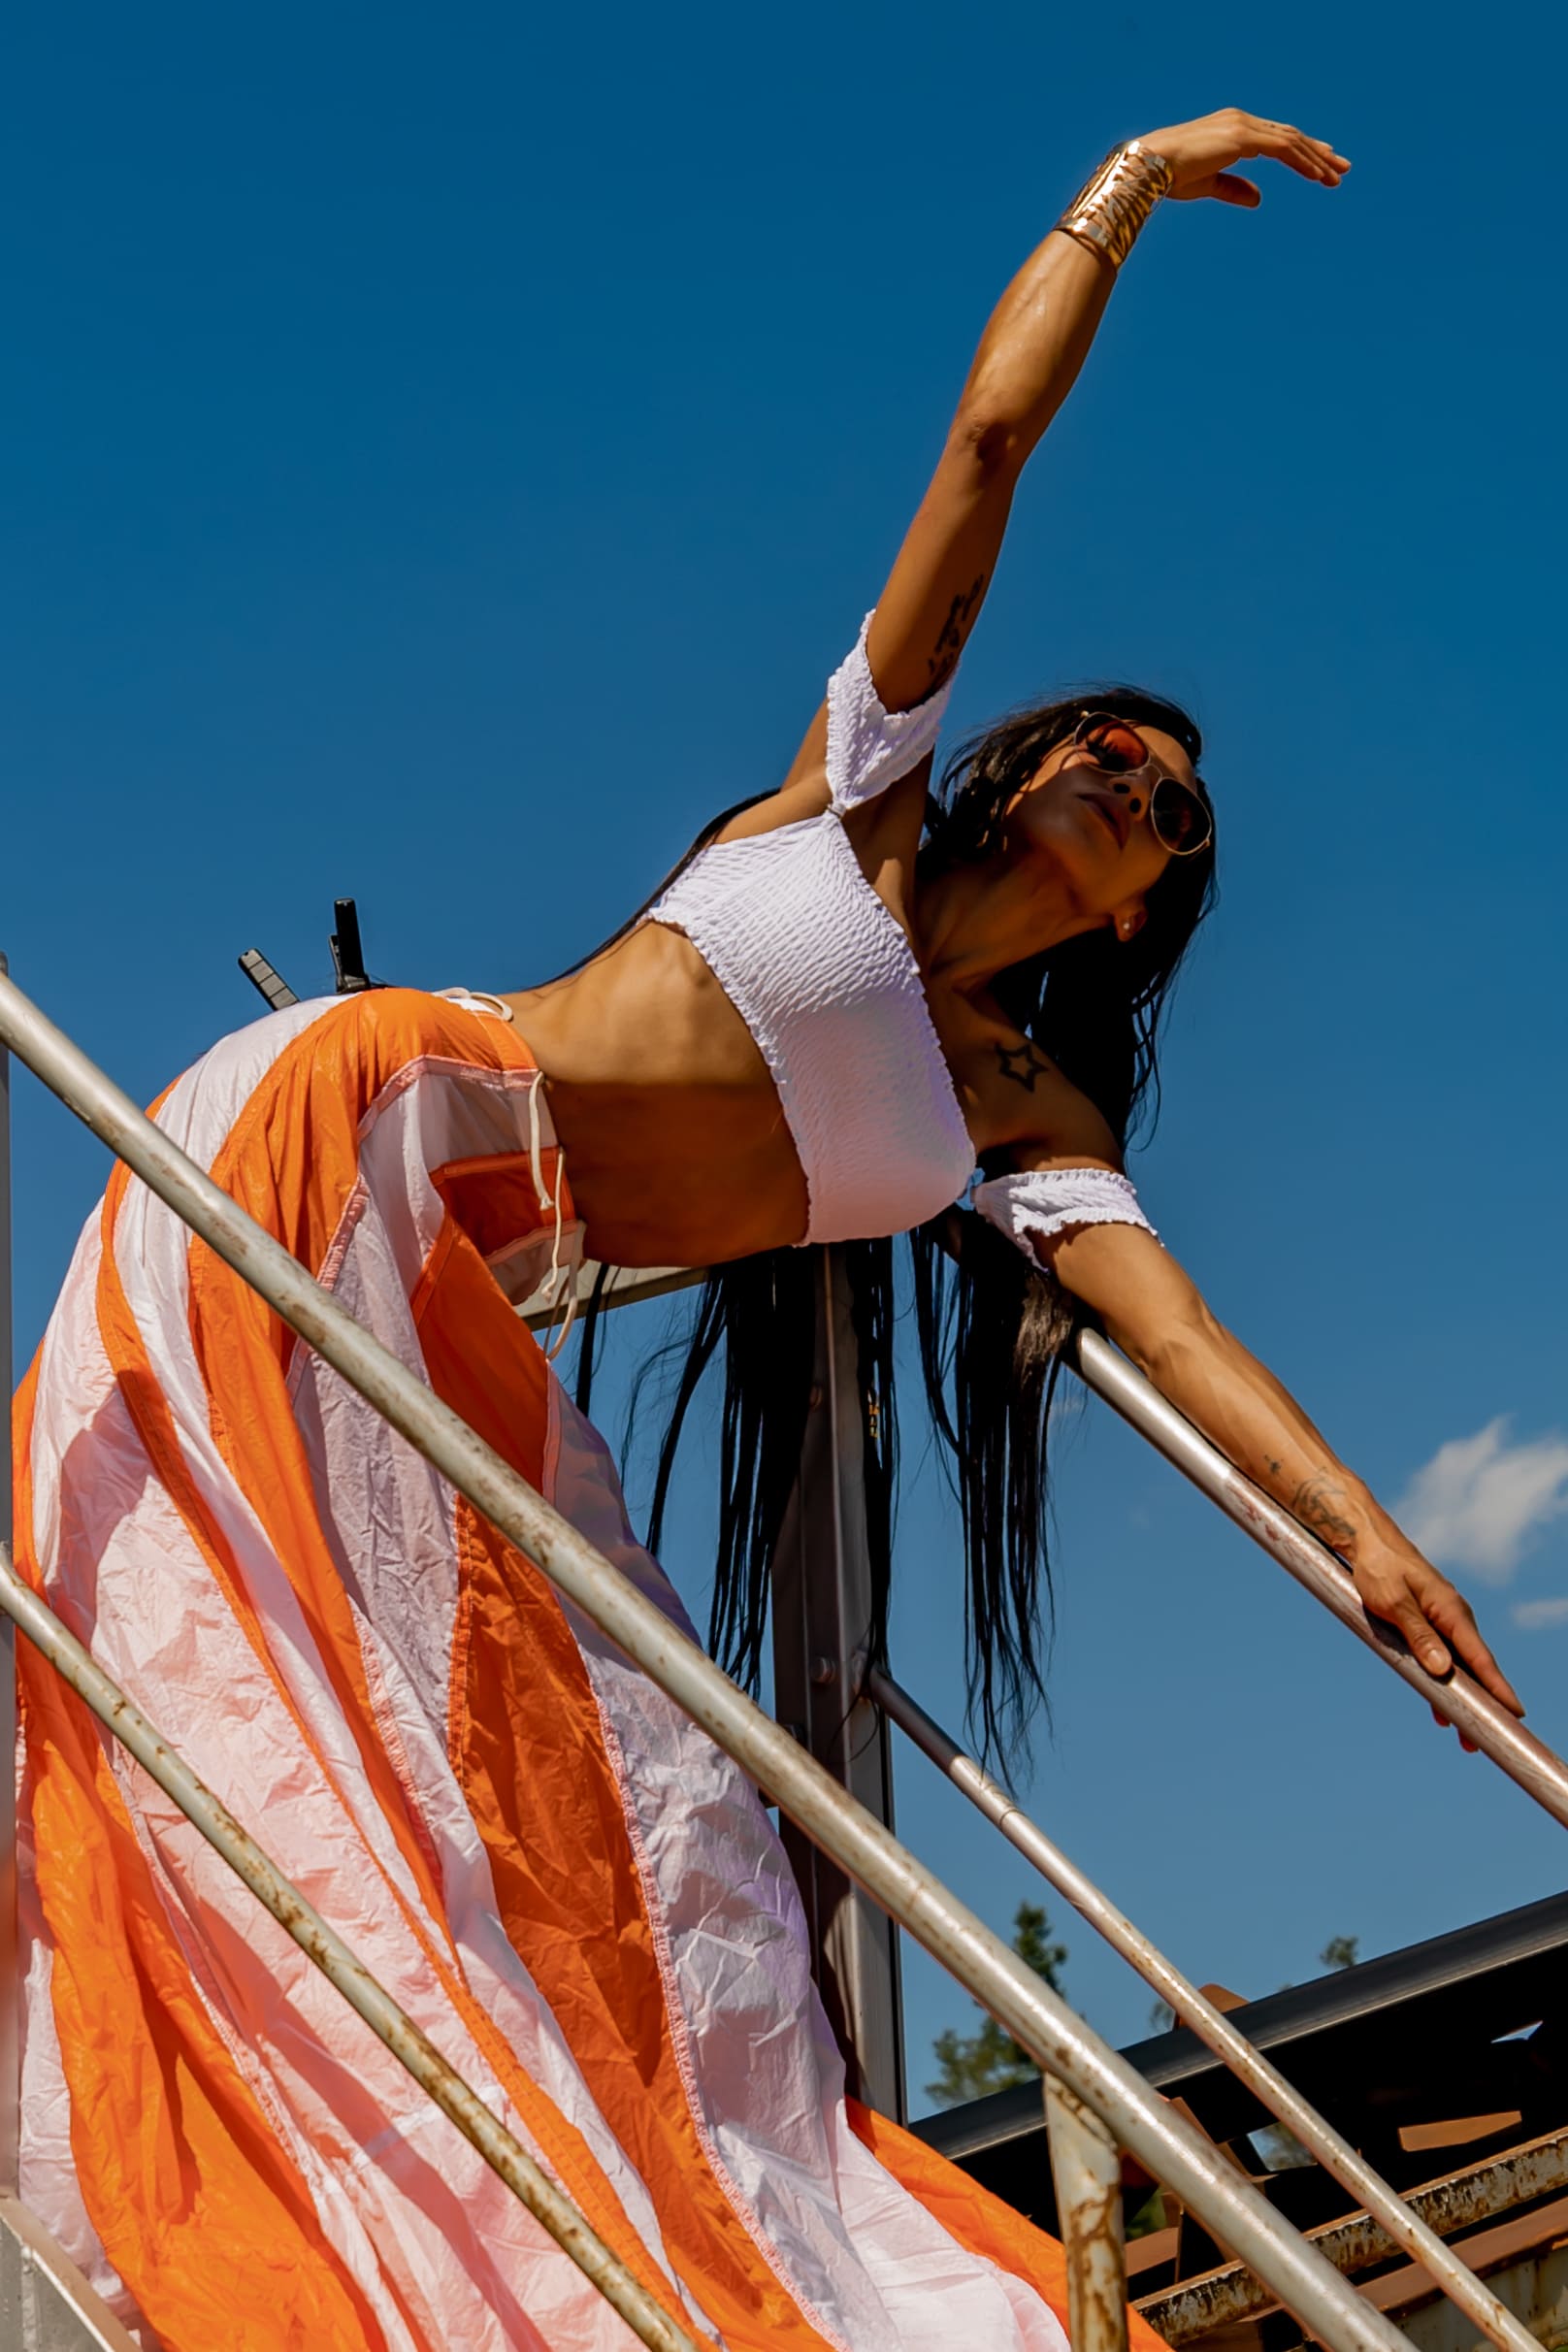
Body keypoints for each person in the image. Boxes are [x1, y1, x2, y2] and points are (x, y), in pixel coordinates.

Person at [15, 109, 1519, 2352]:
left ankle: (567, 2249)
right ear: (1026, 762)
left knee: (643, 1793)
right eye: (1107, 747)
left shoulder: (1025, 1112)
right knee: (291, 1670)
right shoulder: (856, 799)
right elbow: (987, 450)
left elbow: (1180, 1335)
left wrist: (1370, 1548)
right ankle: (250, 2162)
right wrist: (1118, 196)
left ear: (1146, 903)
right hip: (351, 1125)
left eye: (1171, 806)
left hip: (451, 1291)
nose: (1128, 777)